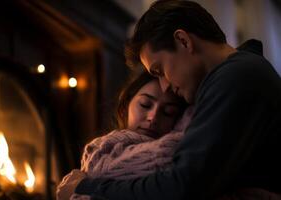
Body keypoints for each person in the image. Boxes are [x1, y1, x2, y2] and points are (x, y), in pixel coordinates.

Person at [71, 1, 281, 200]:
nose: (164, 85)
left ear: (183, 41)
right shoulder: (240, 73)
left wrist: (86, 187)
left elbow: (182, 186)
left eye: (159, 70)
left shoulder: (235, 77)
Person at [56, 72, 191, 199]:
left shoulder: (180, 157)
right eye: (145, 104)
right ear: (125, 107)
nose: (153, 117)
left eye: (168, 112)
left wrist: (80, 187)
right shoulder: (99, 152)